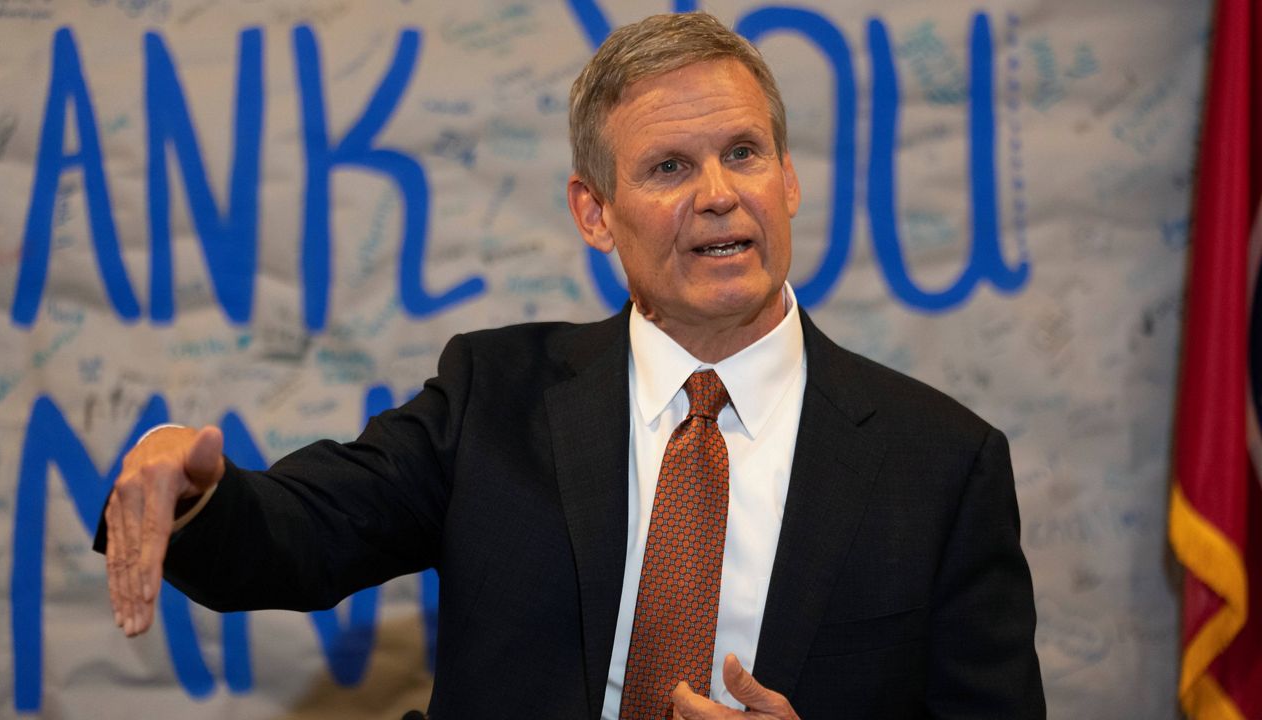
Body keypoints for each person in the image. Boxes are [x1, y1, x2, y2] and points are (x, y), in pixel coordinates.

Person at [98, 12, 1044, 719]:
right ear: (594, 214)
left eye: (744, 153)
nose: (719, 195)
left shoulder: (943, 463)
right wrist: (192, 484)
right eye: (670, 168)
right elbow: (298, 535)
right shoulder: (494, 399)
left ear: (788, 180)